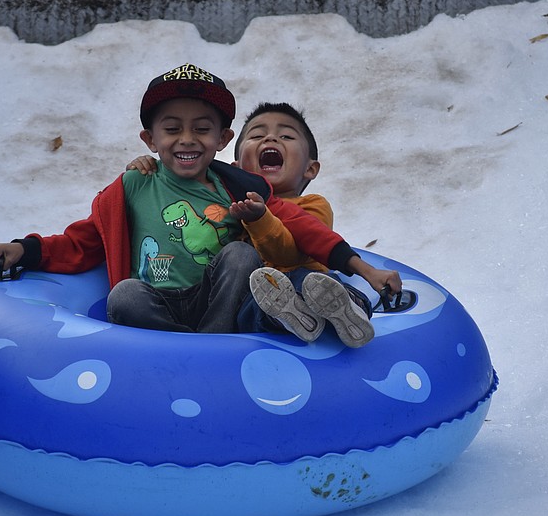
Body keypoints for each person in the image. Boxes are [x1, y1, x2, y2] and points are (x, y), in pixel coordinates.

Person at [0, 64, 370, 335]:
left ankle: (214, 341)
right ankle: (179, 346)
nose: (187, 139)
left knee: (241, 256)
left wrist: (359, 267)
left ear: (222, 141)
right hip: (159, 302)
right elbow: (84, 241)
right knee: (124, 295)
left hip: (218, 302)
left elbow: (302, 228)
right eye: (172, 129)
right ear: (150, 140)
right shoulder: (134, 185)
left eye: (201, 129)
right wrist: (28, 250)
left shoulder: (234, 185)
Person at [129, 102, 401, 347]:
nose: (270, 138)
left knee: (311, 283)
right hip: (259, 298)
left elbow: (295, 249)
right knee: (255, 306)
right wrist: (149, 169)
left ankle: (350, 310)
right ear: (236, 166)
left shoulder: (313, 204)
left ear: (311, 168)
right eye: (257, 135)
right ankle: (290, 318)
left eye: (286, 136)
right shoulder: (231, 201)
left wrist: (365, 270)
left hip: (306, 280)